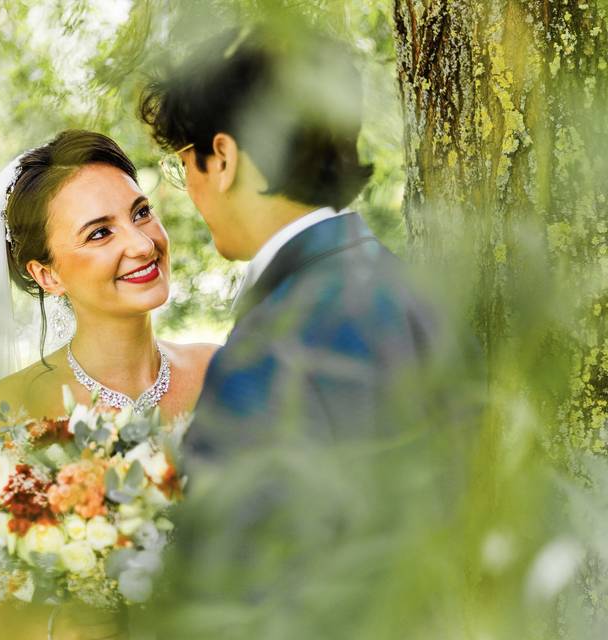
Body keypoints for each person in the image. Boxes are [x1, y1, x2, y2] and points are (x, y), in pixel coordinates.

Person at [136, 24, 478, 638]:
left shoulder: (268, 352)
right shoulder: (420, 293)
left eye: (183, 162)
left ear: (224, 157)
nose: (186, 188)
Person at [0, 129, 218, 640]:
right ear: (47, 275)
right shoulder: (8, 423)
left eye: (141, 211)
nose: (142, 243)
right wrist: (67, 625)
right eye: (99, 233)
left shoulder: (224, 373)